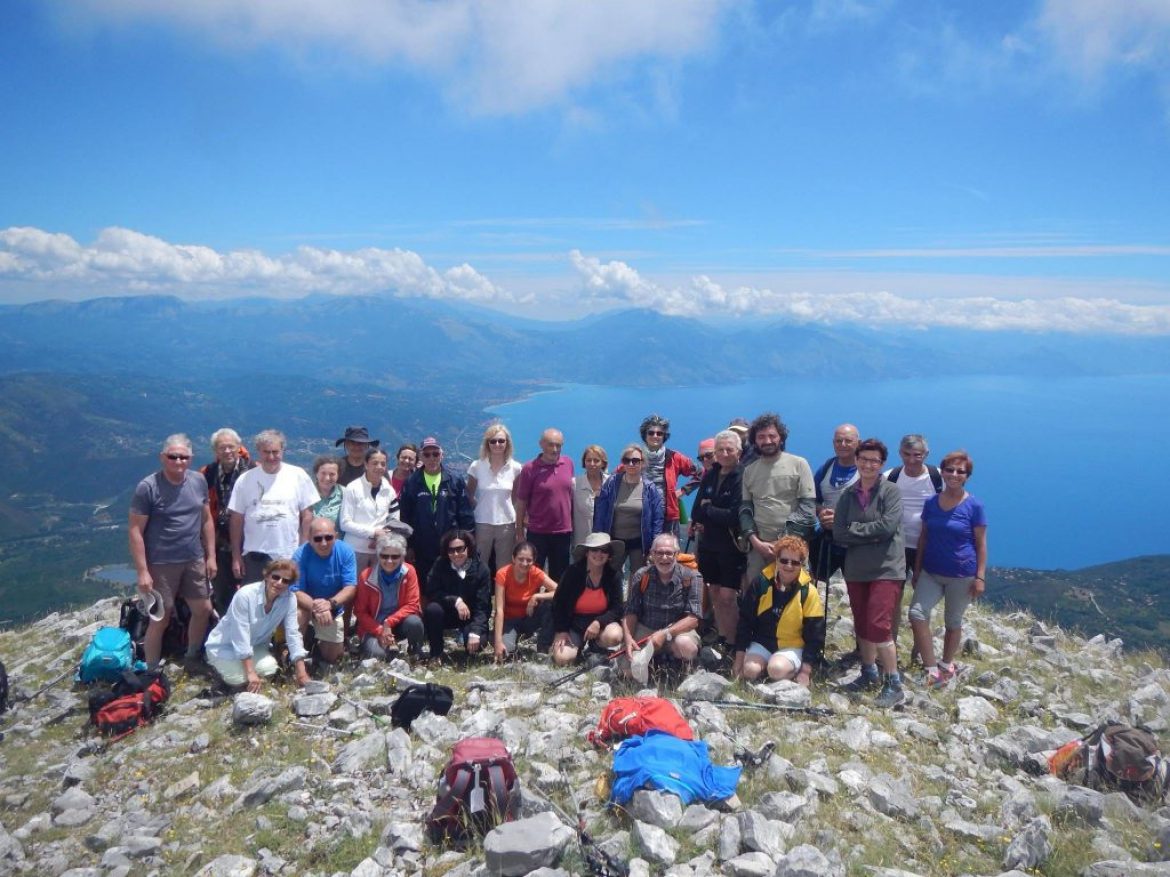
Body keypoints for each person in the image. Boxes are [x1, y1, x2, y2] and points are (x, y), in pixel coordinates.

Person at [128, 434, 216, 670]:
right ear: (162, 457)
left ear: (191, 458)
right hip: (161, 563)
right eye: (173, 457)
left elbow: (206, 520)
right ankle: (151, 670)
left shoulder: (198, 480)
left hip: (194, 558)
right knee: (160, 618)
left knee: (203, 609)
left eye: (184, 457)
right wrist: (142, 572)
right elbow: (135, 530)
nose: (178, 461)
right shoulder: (148, 487)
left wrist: (211, 556)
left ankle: (192, 656)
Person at [832, 438, 906, 708]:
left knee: (879, 625)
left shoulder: (891, 492)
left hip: (886, 568)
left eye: (874, 461)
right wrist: (868, 534)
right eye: (864, 459)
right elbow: (838, 533)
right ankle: (868, 672)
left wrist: (855, 530)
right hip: (856, 570)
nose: (868, 465)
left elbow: (887, 528)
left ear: (882, 464)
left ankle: (893, 683)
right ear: (856, 460)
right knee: (862, 623)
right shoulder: (847, 495)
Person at [908, 450, 988, 688]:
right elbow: (923, 537)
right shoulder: (931, 503)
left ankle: (946, 664)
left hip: (962, 575)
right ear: (942, 472)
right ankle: (931, 668)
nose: (954, 474)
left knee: (953, 622)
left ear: (967, 476)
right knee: (916, 614)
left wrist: (980, 577)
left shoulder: (974, 506)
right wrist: (917, 569)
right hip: (931, 571)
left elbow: (981, 544)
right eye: (949, 470)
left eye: (960, 471)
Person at [204, 559, 311, 692]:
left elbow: (293, 633)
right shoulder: (245, 595)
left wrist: (302, 673)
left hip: (255, 646)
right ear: (267, 576)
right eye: (276, 577)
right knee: (239, 680)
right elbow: (240, 634)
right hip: (224, 647)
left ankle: (241, 670)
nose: (279, 583)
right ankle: (216, 668)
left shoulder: (290, 599)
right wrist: (250, 672)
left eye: (285, 581)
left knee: (270, 669)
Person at [228, 429, 318, 584]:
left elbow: (307, 515)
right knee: (254, 597)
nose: (271, 457)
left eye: (275, 452)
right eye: (266, 452)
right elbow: (236, 519)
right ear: (258, 451)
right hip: (254, 556)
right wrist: (236, 556)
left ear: (283, 450)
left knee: (289, 597)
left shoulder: (298, 476)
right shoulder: (245, 480)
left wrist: (303, 549)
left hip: (288, 555)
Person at [732, 535, 824, 686]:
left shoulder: (809, 591)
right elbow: (745, 621)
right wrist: (739, 660)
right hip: (762, 642)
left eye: (795, 562)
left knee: (776, 669)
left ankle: (784, 670)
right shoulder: (760, 583)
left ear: (802, 564)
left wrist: (805, 671)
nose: (789, 566)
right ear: (776, 560)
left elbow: (815, 634)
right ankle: (766, 670)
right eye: (784, 560)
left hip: (792, 645)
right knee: (749, 671)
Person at [738, 413, 816, 583]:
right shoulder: (749, 471)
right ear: (754, 440)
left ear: (781, 437)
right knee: (757, 595)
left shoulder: (799, 464)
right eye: (761, 437)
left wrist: (781, 542)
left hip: (793, 547)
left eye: (772, 436)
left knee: (795, 595)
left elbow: (808, 510)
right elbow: (745, 510)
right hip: (759, 549)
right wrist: (755, 541)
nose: (767, 441)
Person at [884, 434, 943, 651]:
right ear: (900, 453)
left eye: (917, 455)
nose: (911, 460)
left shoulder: (937, 477)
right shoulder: (890, 476)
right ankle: (889, 649)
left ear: (926, 454)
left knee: (921, 604)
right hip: (895, 547)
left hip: (927, 548)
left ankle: (920, 652)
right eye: (907, 454)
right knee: (893, 601)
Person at [691, 429, 746, 643]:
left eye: (729, 449)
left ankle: (735, 642)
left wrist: (709, 508)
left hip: (731, 546)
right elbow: (696, 512)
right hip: (709, 544)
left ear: (739, 452)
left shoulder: (742, 476)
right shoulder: (711, 475)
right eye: (720, 450)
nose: (724, 454)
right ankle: (723, 637)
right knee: (714, 591)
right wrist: (711, 511)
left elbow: (734, 516)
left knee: (728, 596)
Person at [621, 533, 704, 673]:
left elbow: (693, 619)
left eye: (669, 553)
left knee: (686, 647)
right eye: (659, 553)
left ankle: (680, 667)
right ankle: (657, 662)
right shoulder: (641, 575)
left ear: (677, 554)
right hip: (647, 628)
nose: (664, 557)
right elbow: (631, 610)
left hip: (677, 632)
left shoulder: (692, 576)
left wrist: (665, 634)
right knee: (627, 670)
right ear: (652, 554)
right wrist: (628, 639)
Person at [398, 437, 474, 582]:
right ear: (420, 457)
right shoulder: (411, 482)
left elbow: (465, 514)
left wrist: (467, 543)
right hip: (422, 546)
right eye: (427, 454)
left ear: (441, 455)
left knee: (451, 583)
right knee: (424, 584)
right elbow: (405, 517)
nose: (431, 458)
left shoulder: (455, 480)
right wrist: (409, 546)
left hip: (451, 546)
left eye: (435, 454)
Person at [592, 443, 664, 583]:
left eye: (635, 461)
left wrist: (655, 544)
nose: (631, 464)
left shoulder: (650, 488)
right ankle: (614, 597)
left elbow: (657, 519)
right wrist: (599, 540)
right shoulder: (612, 483)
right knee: (610, 575)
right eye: (627, 460)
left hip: (639, 543)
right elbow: (601, 513)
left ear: (642, 463)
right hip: (615, 541)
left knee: (638, 577)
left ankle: (633, 598)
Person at [550, 533, 626, 666]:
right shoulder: (572, 573)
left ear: (609, 555)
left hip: (601, 623)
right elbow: (558, 603)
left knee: (615, 636)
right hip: (574, 623)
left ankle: (596, 645)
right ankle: (578, 647)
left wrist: (598, 622)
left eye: (604, 550)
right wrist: (562, 631)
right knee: (562, 659)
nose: (599, 554)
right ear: (587, 553)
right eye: (594, 550)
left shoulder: (614, 575)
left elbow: (617, 608)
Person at [201, 427, 254, 616]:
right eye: (222, 447)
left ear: (239, 447)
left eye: (231, 446)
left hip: (249, 542)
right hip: (220, 543)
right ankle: (227, 626)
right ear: (215, 451)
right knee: (223, 593)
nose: (227, 451)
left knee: (251, 592)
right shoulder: (208, 473)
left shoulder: (253, 471)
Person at [291, 516, 357, 667]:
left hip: (331, 606)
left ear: (336, 536)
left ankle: (312, 639)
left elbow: (350, 587)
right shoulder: (300, 555)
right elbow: (295, 591)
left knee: (333, 657)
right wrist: (317, 607)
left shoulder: (346, 551)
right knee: (298, 615)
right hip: (307, 605)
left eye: (328, 537)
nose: (324, 543)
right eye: (318, 538)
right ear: (309, 539)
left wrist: (330, 604)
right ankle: (293, 652)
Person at [513, 428, 575, 581]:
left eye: (558, 445)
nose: (555, 449)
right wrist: (519, 532)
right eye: (551, 444)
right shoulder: (529, 468)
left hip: (562, 532)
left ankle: (555, 598)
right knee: (532, 575)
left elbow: (569, 495)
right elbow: (521, 502)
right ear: (541, 444)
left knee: (560, 577)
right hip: (537, 532)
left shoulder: (568, 463)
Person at [422, 529, 492, 660]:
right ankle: (436, 653)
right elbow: (432, 591)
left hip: (470, 616)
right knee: (432, 610)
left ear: (468, 548)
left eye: (460, 549)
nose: (455, 554)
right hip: (447, 612)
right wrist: (456, 601)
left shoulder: (482, 569)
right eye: (451, 550)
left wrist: (476, 632)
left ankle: (470, 650)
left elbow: (483, 606)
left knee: (478, 643)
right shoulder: (440, 565)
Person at [354, 532, 424, 659]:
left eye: (395, 556)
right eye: (384, 556)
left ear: (402, 556)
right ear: (378, 556)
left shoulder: (409, 571)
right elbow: (360, 612)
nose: (389, 561)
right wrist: (380, 630)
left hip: (398, 623)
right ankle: (389, 645)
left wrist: (389, 622)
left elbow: (412, 604)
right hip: (374, 626)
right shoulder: (366, 576)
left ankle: (415, 650)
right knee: (378, 655)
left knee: (415, 623)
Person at [465, 424, 522, 575]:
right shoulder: (477, 466)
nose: (497, 444)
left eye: (501, 441)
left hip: (507, 524)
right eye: (493, 441)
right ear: (487, 443)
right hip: (482, 523)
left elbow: (516, 498)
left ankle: (501, 591)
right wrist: (480, 506)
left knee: (504, 568)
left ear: (507, 443)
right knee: (479, 565)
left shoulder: (516, 468)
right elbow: (469, 494)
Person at [810, 424, 860, 584]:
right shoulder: (826, 468)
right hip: (827, 540)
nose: (843, 445)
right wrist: (821, 512)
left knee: (857, 590)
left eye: (848, 441)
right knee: (813, 583)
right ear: (833, 443)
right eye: (838, 441)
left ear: (858, 443)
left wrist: (839, 519)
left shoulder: (865, 471)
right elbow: (812, 499)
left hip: (855, 544)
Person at [493, 541, 558, 659]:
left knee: (551, 604)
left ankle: (543, 647)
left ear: (534, 561)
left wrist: (536, 596)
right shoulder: (502, 574)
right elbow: (499, 610)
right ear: (513, 558)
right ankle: (505, 639)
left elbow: (559, 591)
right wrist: (498, 642)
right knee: (507, 653)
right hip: (509, 621)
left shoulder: (536, 573)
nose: (525, 563)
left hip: (529, 617)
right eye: (521, 559)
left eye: (529, 560)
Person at [340, 447, 401, 571]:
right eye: (375, 463)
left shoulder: (389, 490)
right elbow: (345, 523)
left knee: (376, 583)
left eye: (383, 464)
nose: (379, 467)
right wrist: (373, 533)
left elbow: (394, 520)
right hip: (355, 550)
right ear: (366, 464)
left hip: (380, 551)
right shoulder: (353, 488)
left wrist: (382, 537)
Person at [639, 414, 698, 536]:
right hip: (640, 514)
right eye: (651, 433)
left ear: (664, 436)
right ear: (645, 435)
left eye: (659, 433)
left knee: (668, 548)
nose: (655, 436)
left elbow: (701, 472)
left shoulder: (674, 457)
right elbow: (617, 476)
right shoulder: (635, 457)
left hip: (668, 517)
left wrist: (683, 490)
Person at [572, 444, 608, 551]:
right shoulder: (575, 484)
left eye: (596, 460)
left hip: (606, 542)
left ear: (603, 463)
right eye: (588, 460)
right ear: (584, 462)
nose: (592, 464)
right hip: (582, 542)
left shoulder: (611, 483)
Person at [309, 455, 344, 534]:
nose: (327, 478)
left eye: (332, 474)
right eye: (323, 473)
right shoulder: (306, 493)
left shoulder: (345, 494)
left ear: (338, 475)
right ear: (316, 473)